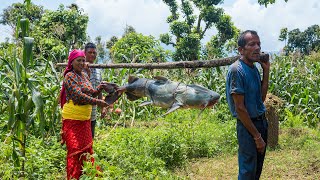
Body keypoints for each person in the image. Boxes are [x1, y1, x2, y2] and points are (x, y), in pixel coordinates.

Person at [60, 49, 112, 179]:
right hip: (73, 120)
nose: (82, 63)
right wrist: (99, 102)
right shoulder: (69, 76)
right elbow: (78, 96)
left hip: (84, 120)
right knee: (75, 149)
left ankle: (88, 175)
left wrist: (100, 87)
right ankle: (74, 177)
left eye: (83, 60)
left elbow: (91, 93)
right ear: (72, 62)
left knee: (86, 149)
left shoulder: (83, 75)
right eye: (79, 60)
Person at [226, 30, 270, 180]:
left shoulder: (254, 68)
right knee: (247, 171)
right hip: (248, 127)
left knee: (256, 169)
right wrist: (257, 136)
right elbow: (240, 108)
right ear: (241, 50)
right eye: (252, 44)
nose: (257, 47)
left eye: (259, 44)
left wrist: (266, 71)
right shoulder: (236, 70)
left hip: (261, 123)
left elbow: (261, 98)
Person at [83, 42, 105, 138]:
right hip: (82, 109)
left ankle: (89, 152)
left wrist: (102, 107)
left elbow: (99, 89)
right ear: (84, 53)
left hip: (93, 110)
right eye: (90, 52)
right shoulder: (80, 68)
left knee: (91, 136)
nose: (92, 55)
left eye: (94, 53)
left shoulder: (98, 70)